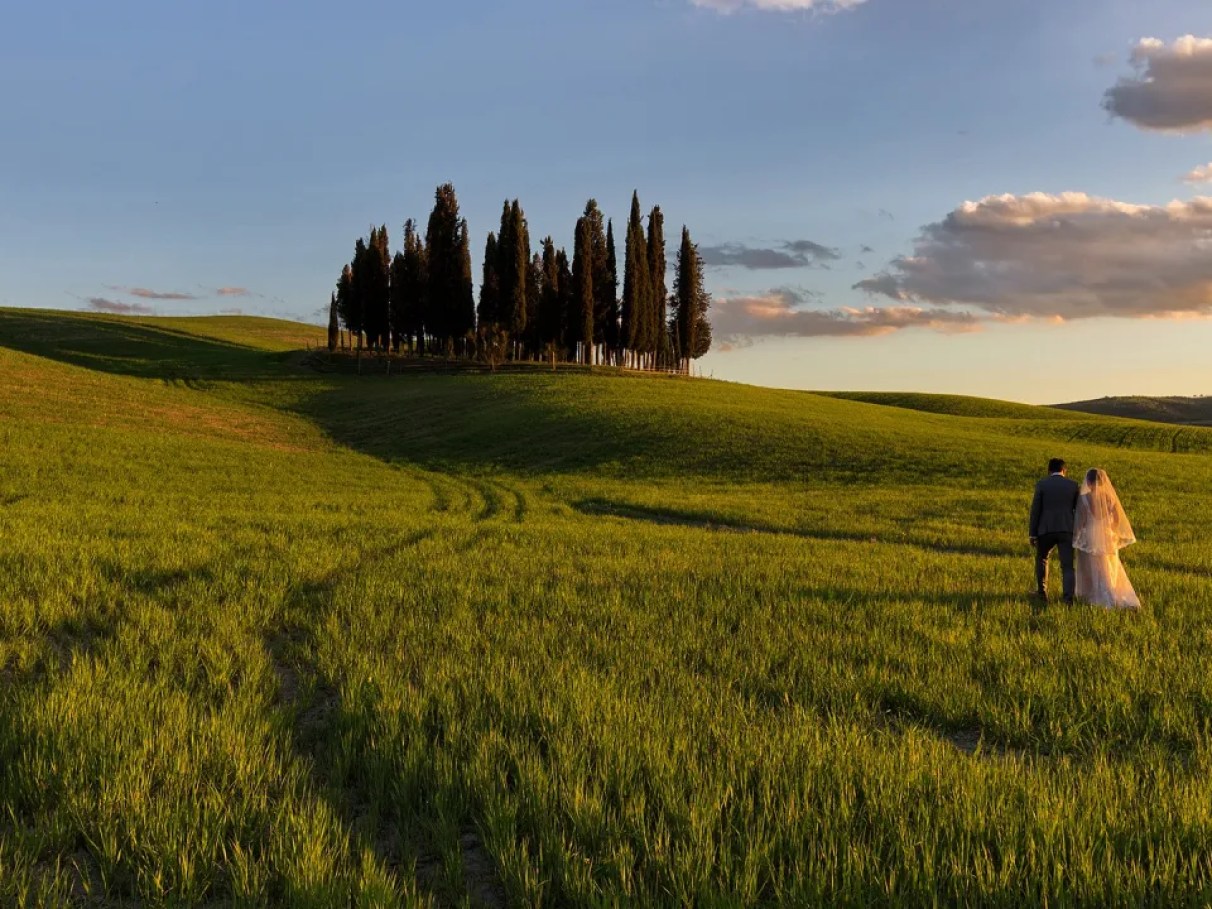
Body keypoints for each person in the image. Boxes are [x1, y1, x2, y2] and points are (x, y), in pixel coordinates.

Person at [1074, 468, 1141, 609]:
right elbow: (1117, 519)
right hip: (1107, 535)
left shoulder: (1084, 498)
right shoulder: (1110, 498)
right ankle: (1111, 592)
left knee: (1093, 566)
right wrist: (1111, 529)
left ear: (1088, 481)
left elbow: (1080, 521)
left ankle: (1097, 595)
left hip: (1091, 535)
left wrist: (1078, 535)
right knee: (1109, 565)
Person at [1029, 458, 1080, 603]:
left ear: (1049, 470)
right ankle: (1068, 598)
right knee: (1068, 566)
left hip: (1045, 529)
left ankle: (1042, 592)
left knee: (1042, 559)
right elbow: (1078, 510)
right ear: (1064, 470)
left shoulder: (1042, 485)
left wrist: (1032, 533)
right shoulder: (1073, 485)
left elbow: (1035, 510)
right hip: (1066, 530)